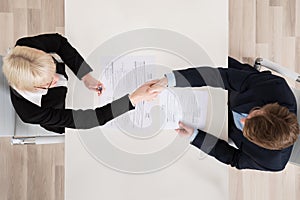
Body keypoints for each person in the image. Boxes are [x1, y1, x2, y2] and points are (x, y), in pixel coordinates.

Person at [150, 57, 300, 171]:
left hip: (219, 125)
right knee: (179, 57)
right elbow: (223, 76)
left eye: (246, 128)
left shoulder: (271, 162)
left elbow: (234, 158)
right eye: (252, 115)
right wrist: (171, 80)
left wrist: (195, 136)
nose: (242, 121)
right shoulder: (276, 88)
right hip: (233, 87)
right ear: (269, 107)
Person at [2, 33, 158, 133]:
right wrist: (133, 99)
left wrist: (85, 76)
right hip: (61, 112)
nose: (56, 78)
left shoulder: (25, 46)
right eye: (50, 82)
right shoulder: (30, 112)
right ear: (35, 88)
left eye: (52, 68)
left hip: (75, 87)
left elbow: (59, 43)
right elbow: (88, 119)